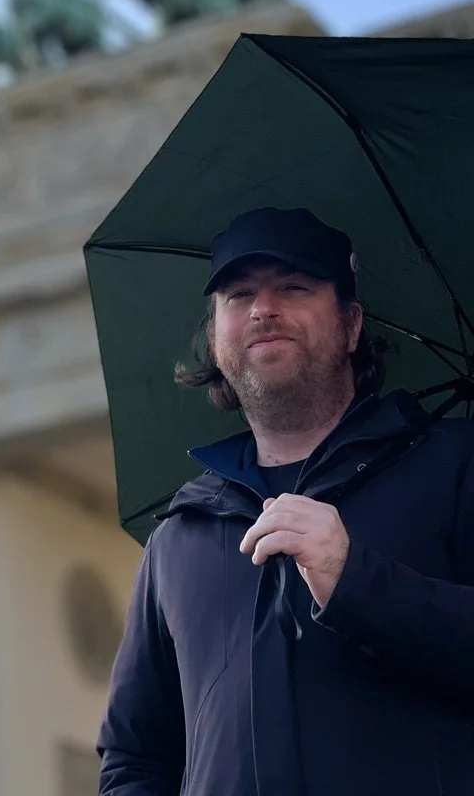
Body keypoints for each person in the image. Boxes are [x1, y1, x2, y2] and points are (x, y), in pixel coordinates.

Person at [97, 206, 474, 796]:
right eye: (238, 294)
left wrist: (358, 582)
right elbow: (135, 756)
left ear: (351, 325)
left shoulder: (453, 465)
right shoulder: (181, 532)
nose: (262, 309)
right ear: (215, 337)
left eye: (294, 287)